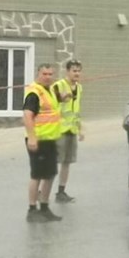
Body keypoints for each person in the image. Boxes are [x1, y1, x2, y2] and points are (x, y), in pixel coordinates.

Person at [22, 62, 64, 222]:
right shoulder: (34, 92)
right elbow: (27, 115)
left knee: (51, 174)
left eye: (50, 74)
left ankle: (44, 207)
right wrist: (32, 137)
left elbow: (53, 108)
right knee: (37, 175)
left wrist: (65, 96)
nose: (47, 77)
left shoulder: (50, 90)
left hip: (50, 139)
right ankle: (32, 210)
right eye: (44, 74)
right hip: (38, 140)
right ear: (38, 74)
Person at [51, 60, 83, 203]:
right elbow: (52, 102)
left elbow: (76, 110)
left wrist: (80, 129)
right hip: (59, 129)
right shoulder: (58, 85)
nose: (77, 73)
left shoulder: (79, 88)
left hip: (72, 130)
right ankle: (41, 190)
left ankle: (61, 191)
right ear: (67, 71)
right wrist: (61, 98)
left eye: (78, 71)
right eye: (74, 70)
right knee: (54, 161)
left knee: (67, 162)